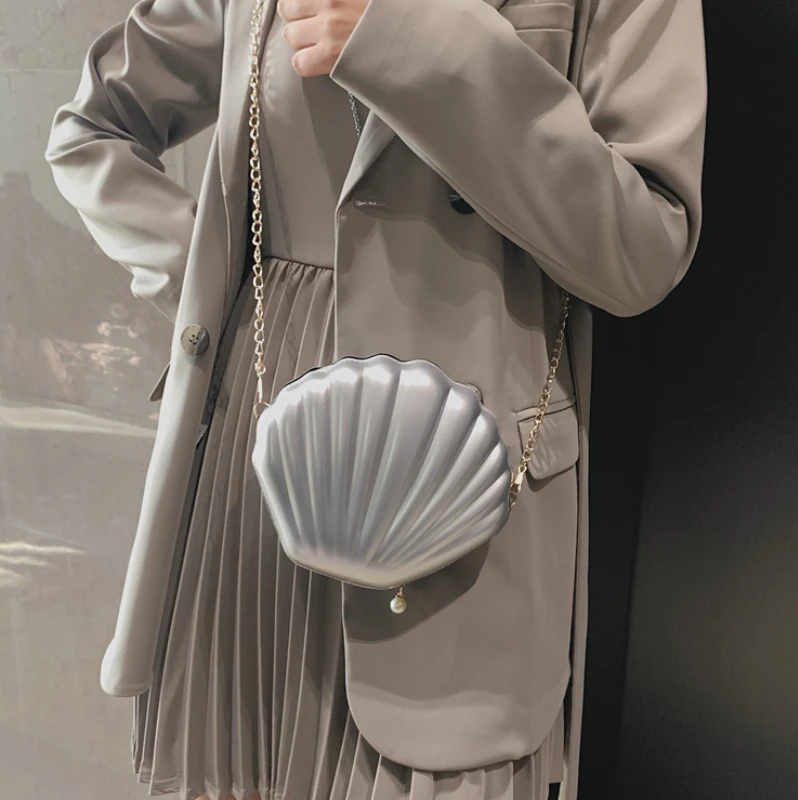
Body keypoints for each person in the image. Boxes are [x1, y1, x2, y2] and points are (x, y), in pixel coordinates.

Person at [44, 0, 708, 798]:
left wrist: (413, 43)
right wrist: (210, 280)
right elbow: (92, 132)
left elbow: (642, 247)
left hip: (458, 482)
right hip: (257, 460)